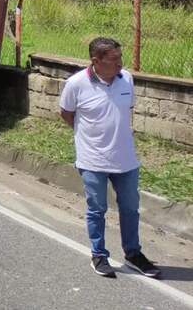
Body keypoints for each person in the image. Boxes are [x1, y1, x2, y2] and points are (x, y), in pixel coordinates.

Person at [60, 37, 161, 280]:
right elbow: (67, 114)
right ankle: (99, 254)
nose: (120, 63)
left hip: (125, 159)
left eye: (120, 57)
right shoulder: (76, 84)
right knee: (97, 209)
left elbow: (125, 112)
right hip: (93, 160)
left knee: (130, 209)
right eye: (114, 59)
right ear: (96, 61)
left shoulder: (126, 78)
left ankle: (133, 254)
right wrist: (91, 140)